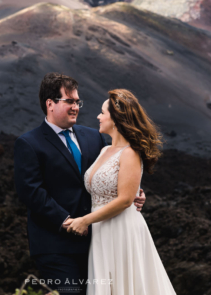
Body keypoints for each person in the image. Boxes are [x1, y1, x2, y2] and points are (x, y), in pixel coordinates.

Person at [14, 73, 146, 294]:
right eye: (70, 101)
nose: (76, 107)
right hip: (55, 245)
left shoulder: (94, 137)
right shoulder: (28, 143)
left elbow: (109, 174)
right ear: (50, 104)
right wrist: (67, 221)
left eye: (78, 101)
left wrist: (133, 194)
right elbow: (31, 191)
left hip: (99, 241)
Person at [66, 89, 177, 295]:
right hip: (101, 231)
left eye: (102, 113)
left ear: (116, 119)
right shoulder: (103, 150)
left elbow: (126, 200)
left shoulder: (131, 153)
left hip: (121, 229)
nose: (98, 117)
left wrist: (84, 220)